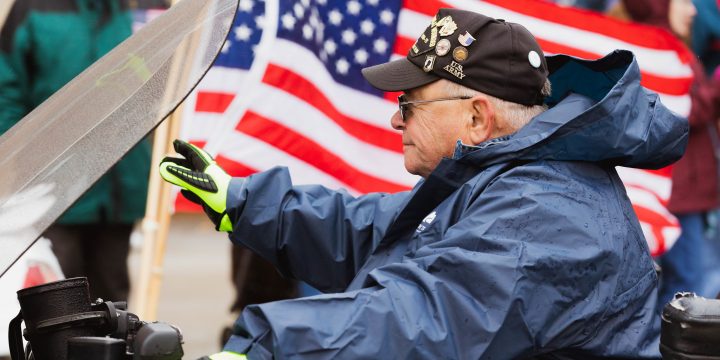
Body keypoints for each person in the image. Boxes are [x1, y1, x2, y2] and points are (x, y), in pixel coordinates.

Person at [161, 8, 687, 359]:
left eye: (408, 105)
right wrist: (238, 199)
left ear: (478, 118)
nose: (396, 121)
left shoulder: (547, 212)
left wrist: (268, 347)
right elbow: (375, 233)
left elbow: (425, 319)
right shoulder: (498, 177)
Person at [0, 0, 151, 302]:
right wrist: (20, 154)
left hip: (121, 182)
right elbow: (7, 91)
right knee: (58, 299)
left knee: (112, 300)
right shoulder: (32, 9)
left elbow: (165, 77)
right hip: (52, 187)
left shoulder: (142, 7)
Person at [620, 0, 720, 307]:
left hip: (687, 189)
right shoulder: (655, 49)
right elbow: (675, 113)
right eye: (684, 1)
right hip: (678, 193)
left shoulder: (672, 45)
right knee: (696, 282)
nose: (693, 11)